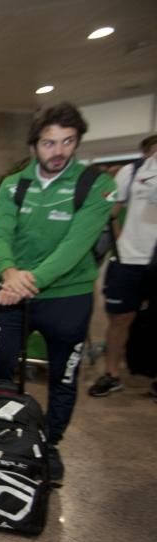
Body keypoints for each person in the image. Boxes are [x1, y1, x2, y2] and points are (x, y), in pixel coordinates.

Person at [0, 102, 117, 481]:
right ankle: (3, 438)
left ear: (77, 143)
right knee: (0, 368)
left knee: (63, 377)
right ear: (34, 145)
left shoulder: (96, 186)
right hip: (13, 294)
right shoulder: (14, 185)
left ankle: (51, 445)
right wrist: (9, 272)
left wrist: (24, 283)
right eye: (49, 143)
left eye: (67, 142)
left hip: (67, 298)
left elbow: (75, 247)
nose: (58, 151)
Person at [89, 134, 157, 398]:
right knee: (120, 318)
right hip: (129, 259)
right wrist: (119, 241)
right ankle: (112, 373)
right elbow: (111, 212)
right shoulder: (132, 172)